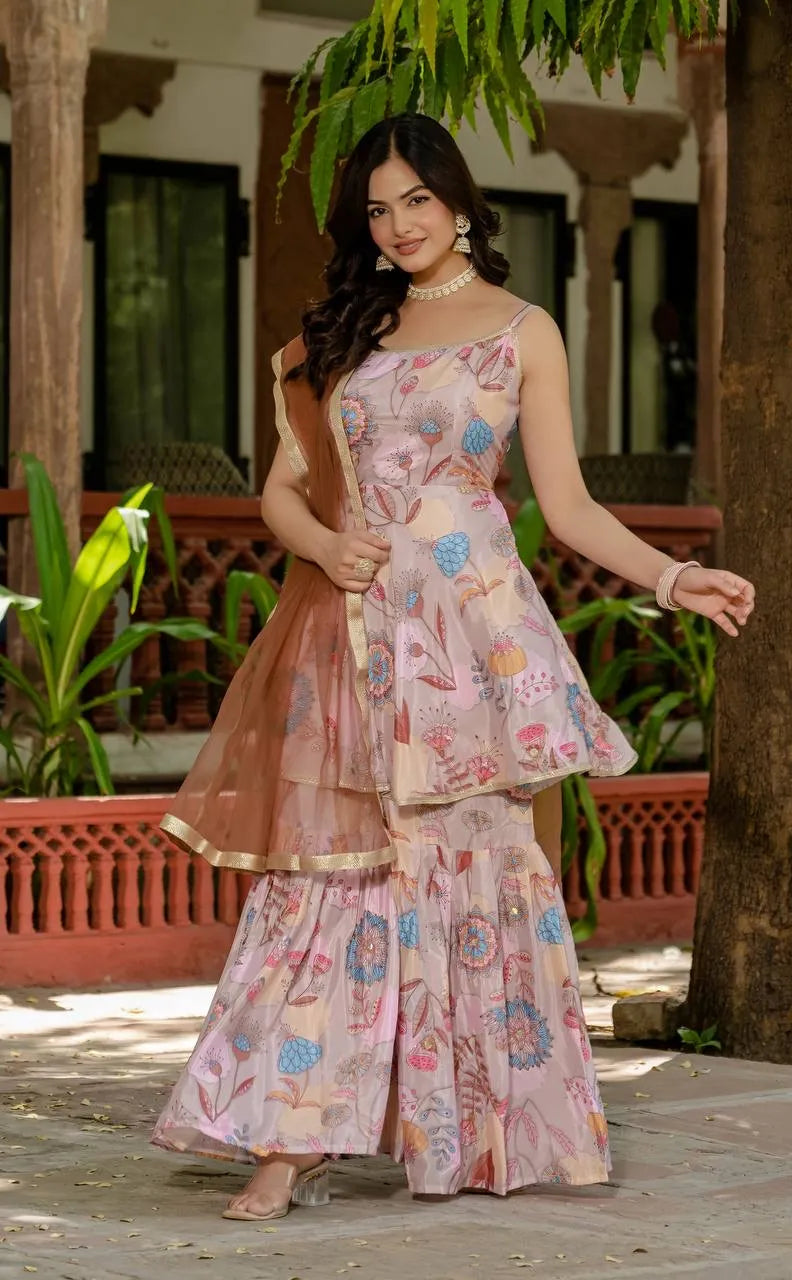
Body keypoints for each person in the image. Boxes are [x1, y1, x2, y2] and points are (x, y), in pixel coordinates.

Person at [151, 113, 755, 1221]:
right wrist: (329, 545)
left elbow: (565, 507)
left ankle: (485, 1125)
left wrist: (674, 579)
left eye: (414, 200)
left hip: (478, 643)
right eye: (378, 210)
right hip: (357, 631)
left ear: (460, 201)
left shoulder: (523, 330)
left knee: (481, 875)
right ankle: (290, 1140)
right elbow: (282, 490)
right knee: (334, 877)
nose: (398, 224)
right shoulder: (335, 337)